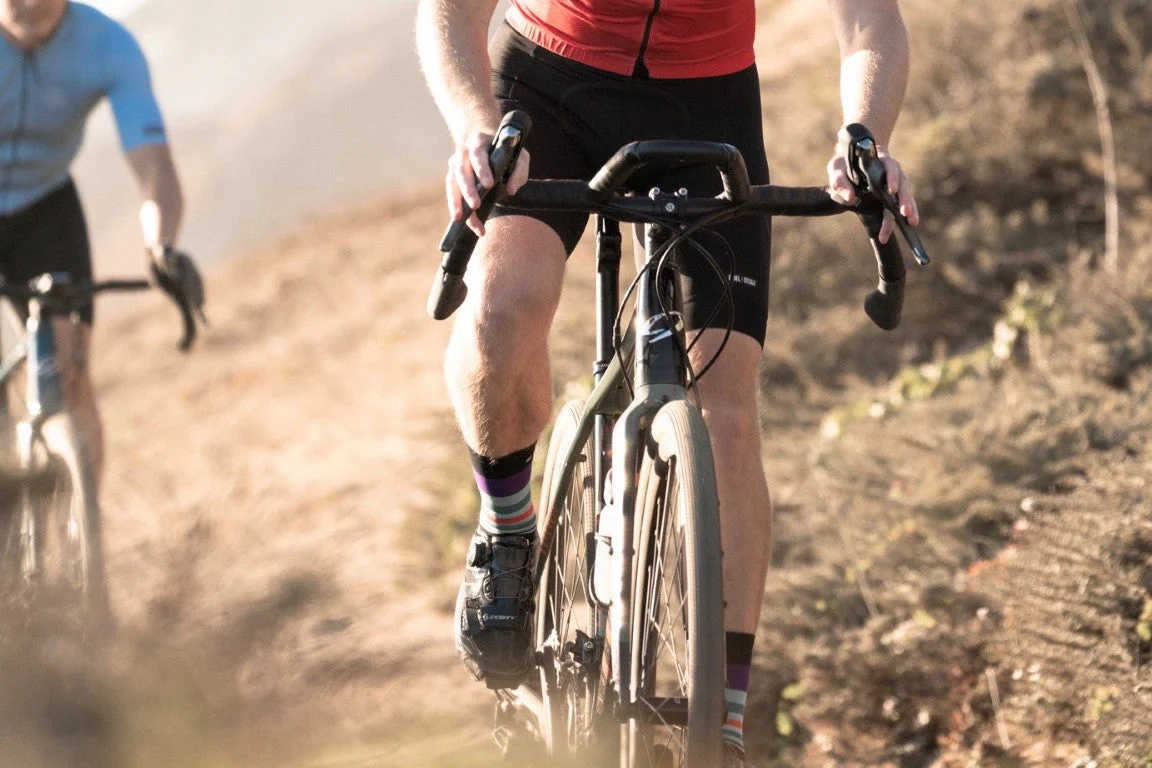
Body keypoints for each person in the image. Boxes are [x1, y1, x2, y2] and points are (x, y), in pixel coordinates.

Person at [416, 0, 919, 762]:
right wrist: (473, 128)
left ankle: (724, 723)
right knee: (499, 311)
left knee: (728, 416)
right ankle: (508, 526)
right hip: (548, 84)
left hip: (705, 102)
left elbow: (869, 21)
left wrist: (864, 137)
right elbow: (449, 12)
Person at [0, 0, 205, 486]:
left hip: (45, 210)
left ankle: (86, 539)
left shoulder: (108, 46)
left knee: (71, 377)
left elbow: (154, 166)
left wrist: (162, 247)